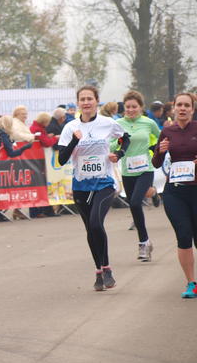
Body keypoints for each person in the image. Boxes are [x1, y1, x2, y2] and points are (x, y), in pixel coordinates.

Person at [57, 85, 130, 291]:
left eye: (90, 98)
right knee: (90, 229)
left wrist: (119, 154)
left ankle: (107, 268)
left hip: (104, 183)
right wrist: (74, 141)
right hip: (81, 186)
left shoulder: (107, 123)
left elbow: (125, 138)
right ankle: (98, 271)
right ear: (78, 103)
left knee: (97, 223)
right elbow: (61, 159)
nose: (86, 102)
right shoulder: (70, 127)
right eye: (82, 99)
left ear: (96, 101)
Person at [151, 93, 197, 298]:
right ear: (174, 108)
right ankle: (191, 283)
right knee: (184, 235)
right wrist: (160, 151)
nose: (183, 108)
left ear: (192, 109)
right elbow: (156, 163)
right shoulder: (167, 131)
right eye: (179, 105)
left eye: (187, 105)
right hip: (175, 191)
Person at [112, 91, 159, 262]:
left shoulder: (149, 123)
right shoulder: (118, 124)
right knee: (134, 206)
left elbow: (161, 138)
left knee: (134, 202)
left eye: (134, 107)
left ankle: (143, 243)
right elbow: (110, 144)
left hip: (146, 169)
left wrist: (154, 149)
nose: (131, 110)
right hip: (127, 171)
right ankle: (153, 192)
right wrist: (118, 143)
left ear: (141, 107)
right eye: (128, 107)